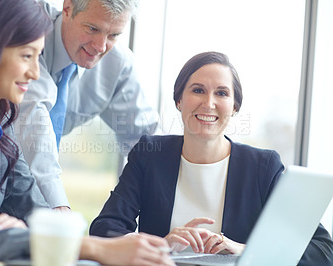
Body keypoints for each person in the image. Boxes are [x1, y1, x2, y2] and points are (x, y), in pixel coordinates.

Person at [0, 0, 174, 265]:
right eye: (27, 56)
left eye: (38, 56)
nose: (36, 72)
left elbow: (39, 210)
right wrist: (95, 247)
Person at [89, 52, 333, 265]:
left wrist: (245, 251)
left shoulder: (262, 167)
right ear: (179, 100)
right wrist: (160, 245)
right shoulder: (150, 154)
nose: (209, 103)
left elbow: (323, 250)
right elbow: (105, 230)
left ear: (235, 106)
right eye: (198, 90)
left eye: (222, 93)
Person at [13, 0, 159, 209]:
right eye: (92, 29)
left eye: (113, 35)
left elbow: (146, 140)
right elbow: (34, 123)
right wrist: (60, 210)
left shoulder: (117, 65)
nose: (100, 47)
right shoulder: (31, 32)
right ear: (67, 9)